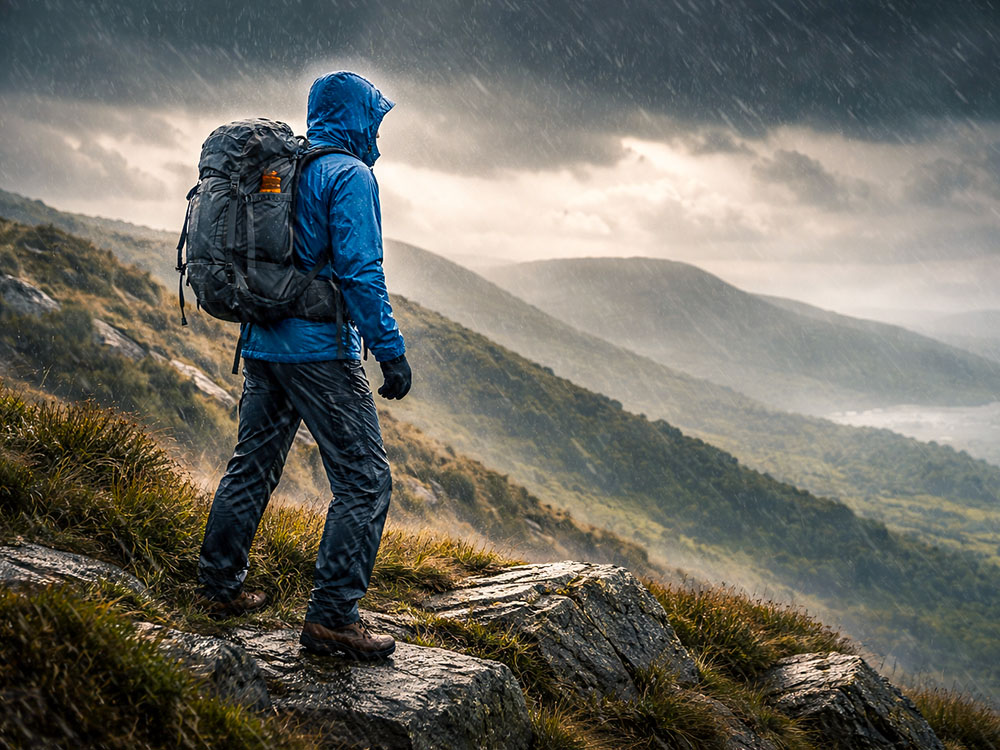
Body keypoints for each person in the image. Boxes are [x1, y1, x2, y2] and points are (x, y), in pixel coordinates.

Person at [195, 71, 411, 661]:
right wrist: (390, 353)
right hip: (320, 353)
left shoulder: (285, 173)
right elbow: (363, 275)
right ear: (356, 119)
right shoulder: (350, 176)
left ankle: (217, 587)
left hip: (263, 344)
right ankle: (334, 618)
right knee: (364, 481)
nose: (379, 137)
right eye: (375, 121)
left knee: (253, 465)